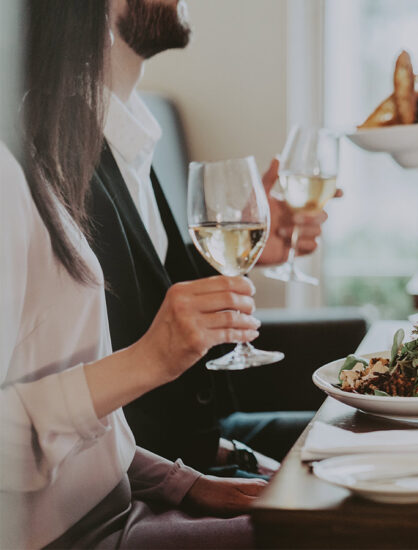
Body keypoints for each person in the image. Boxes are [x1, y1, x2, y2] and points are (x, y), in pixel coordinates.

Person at [1, 1, 266, 547]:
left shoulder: (42, 161)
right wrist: (148, 359)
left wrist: (179, 483)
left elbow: (76, 434)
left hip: (123, 502)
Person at [91, 0, 336, 477]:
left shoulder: (132, 126)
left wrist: (242, 258)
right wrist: (213, 468)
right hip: (146, 463)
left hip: (205, 434)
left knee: (381, 430)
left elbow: (142, 297)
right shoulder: (55, 148)